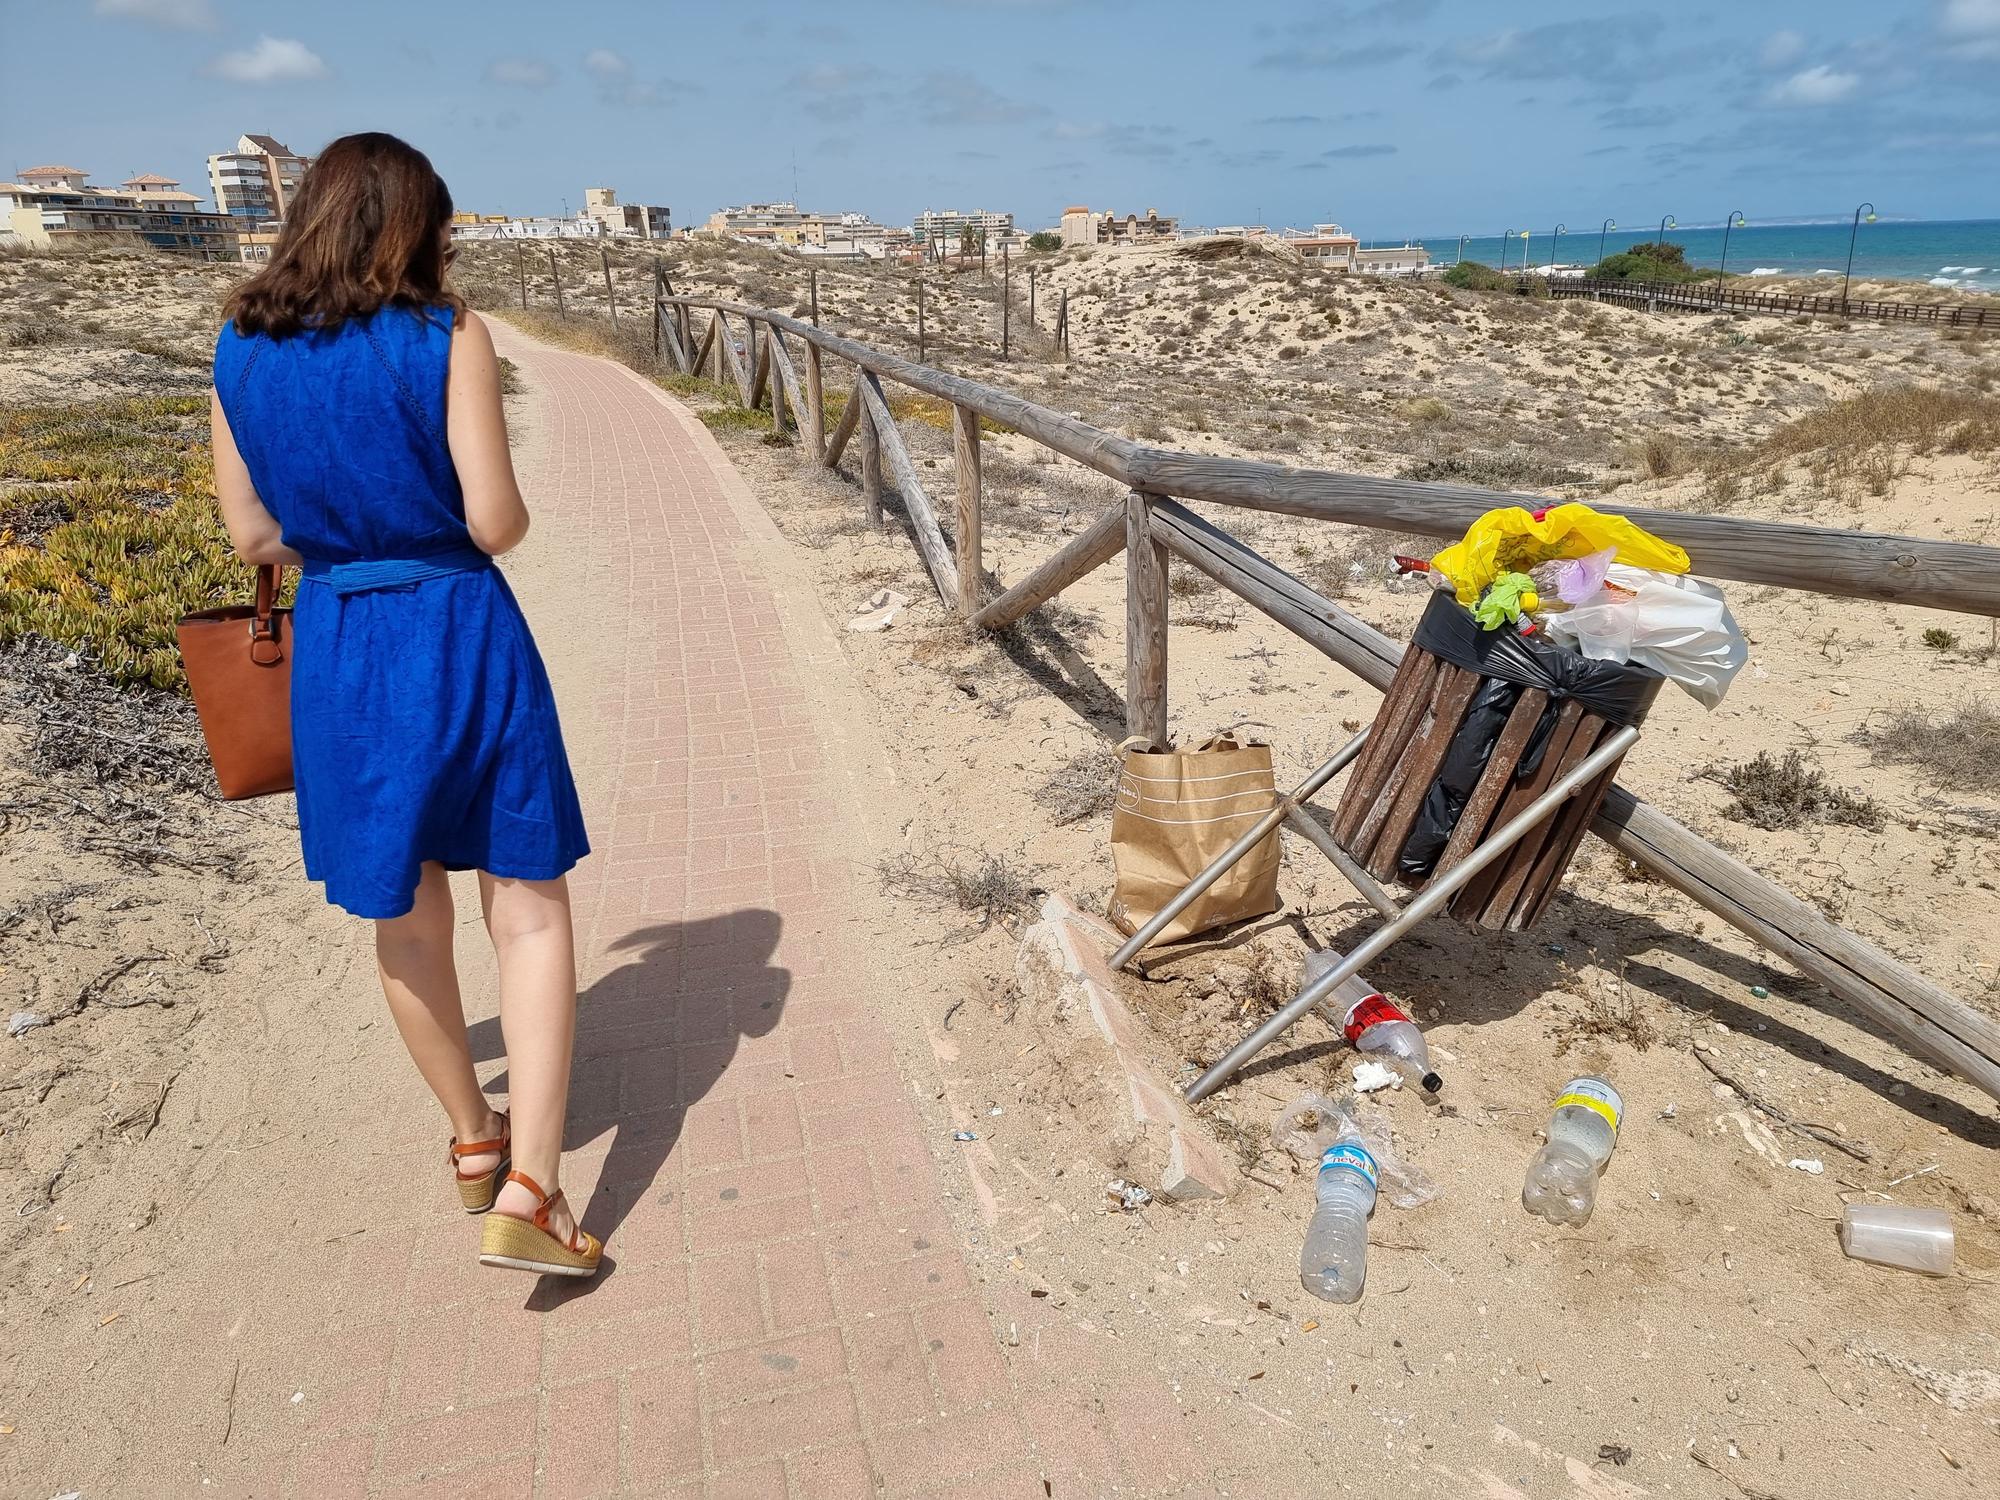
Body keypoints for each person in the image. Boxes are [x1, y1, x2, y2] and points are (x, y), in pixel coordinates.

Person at [209, 132, 599, 1278]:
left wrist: (344, 539)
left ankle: (473, 1144)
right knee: (524, 903)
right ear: (412, 226)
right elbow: (494, 523)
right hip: (455, 625)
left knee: (404, 907)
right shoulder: (445, 333)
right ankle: (532, 1187)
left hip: (339, 641)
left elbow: (249, 536)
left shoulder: (239, 345)